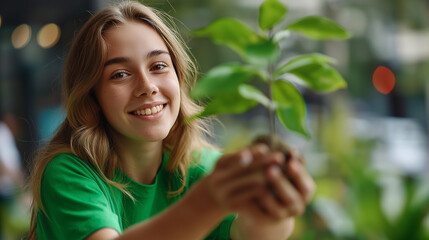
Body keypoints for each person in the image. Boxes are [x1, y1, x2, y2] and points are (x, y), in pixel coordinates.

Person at [28, 1, 316, 239]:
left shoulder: (201, 168)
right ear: (92, 96)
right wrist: (208, 201)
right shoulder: (69, 172)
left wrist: (275, 206)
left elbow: (252, 232)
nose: (147, 85)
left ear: (179, 77)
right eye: (120, 74)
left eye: (158, 66)